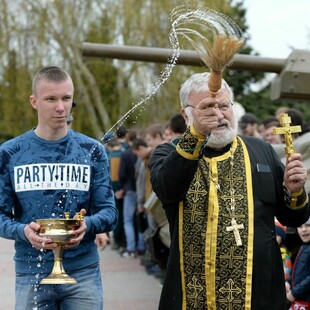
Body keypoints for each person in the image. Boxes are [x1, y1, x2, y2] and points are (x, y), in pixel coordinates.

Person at [149, 72, 309, 310]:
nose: (219, 115)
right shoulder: (168, 154)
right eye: (207, 108)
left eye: (224, 106)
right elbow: (168, 188)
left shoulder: (261, 151)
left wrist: (294, 192)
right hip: (192, 297)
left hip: (258, 297)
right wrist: (197, 135)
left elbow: (294, 217)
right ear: (186, 114)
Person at [0, 66, 118, 310]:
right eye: (51, 99)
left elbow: (109, 212)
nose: (61, 107)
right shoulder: (10, 153)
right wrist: (24, 232)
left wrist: (88, 226)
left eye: (66, 98)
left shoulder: (92, 151)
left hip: (82, 271)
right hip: (31, 271)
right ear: (34, 101)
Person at [286, 218, 310, 309]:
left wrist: (294, 293)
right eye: (300, 226)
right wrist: (288, 282)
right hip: (300, 301)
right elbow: (296, 270)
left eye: (308, 225)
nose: (303, 229)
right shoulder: (303, 247)